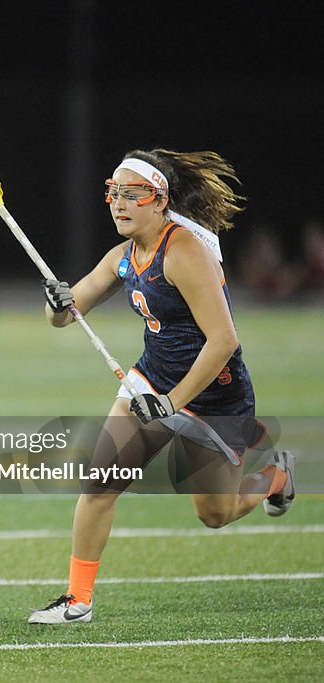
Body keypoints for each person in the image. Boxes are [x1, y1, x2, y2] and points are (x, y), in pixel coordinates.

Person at [28, 149, 295, 625]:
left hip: (215, 395)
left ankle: (276, 477)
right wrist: (54, 302)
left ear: (160, 201)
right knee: (99, 485)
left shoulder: (185, 252)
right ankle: (78, 600)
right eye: (114, 193)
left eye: (134, 195)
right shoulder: (123, 257)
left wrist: (172, 402)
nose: (119, 204)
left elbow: (223, 341)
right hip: (150, 382)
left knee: (214, 514)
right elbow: (66, 316)